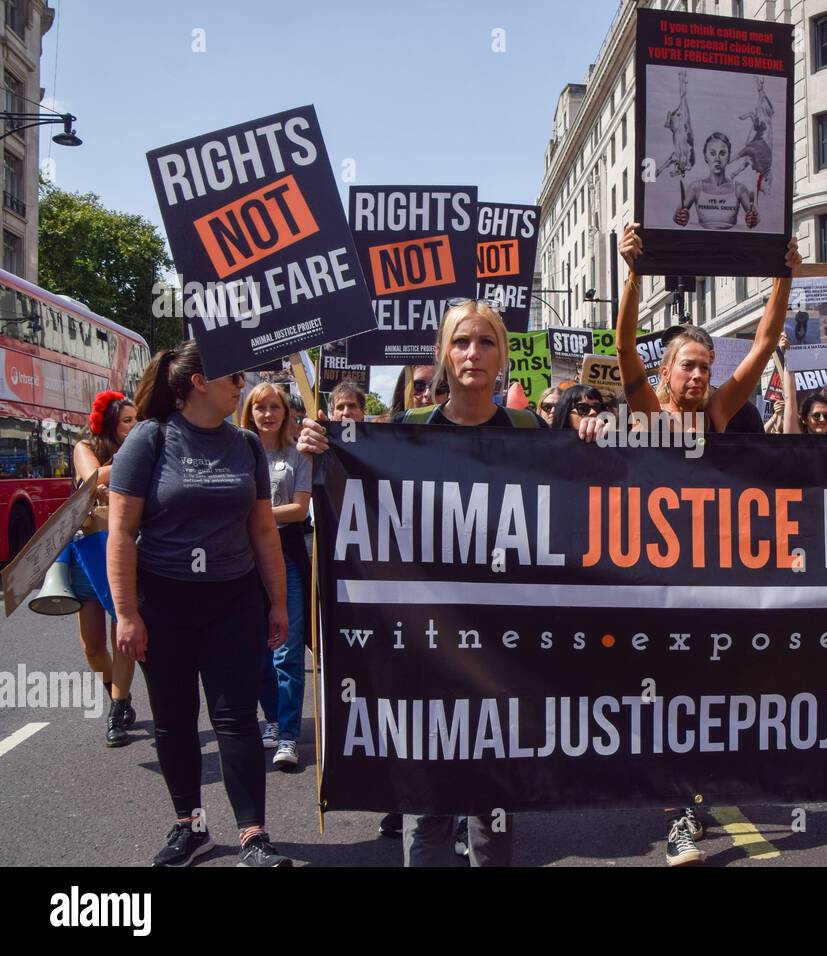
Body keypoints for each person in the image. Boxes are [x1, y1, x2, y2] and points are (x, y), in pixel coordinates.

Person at [299, 300, 530, 867]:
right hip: (425, 648)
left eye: (485, 342)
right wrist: (321, 454)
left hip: (501, 650)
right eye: (461, 342)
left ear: (502, 355)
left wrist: (595, 437)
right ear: (442, 355)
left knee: (491, 809)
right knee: (425, 805)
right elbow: (354, 505)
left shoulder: (530, 430)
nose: (472, 353)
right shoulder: (406, 432)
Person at [612, 221, 801, 865]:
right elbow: (623, 344)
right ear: (665, 373)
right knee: (666, 703)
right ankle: (674, 811)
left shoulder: (719, 414)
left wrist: (784, 275)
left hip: (716, 584)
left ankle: (688, 809)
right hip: (654, 586)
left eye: (705, 366)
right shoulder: (646, 411)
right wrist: (634, 274)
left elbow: (768, 339)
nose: (699, 376)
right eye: (688, 366)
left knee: (705, 702)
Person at [108, 341, 291, 867]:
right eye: (233, 376)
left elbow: (262, 528)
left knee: (235, 719)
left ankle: (253, 837)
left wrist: (277, 602)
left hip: (233, 600)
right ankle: (190, 826)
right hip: (163, 600)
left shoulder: (246, 446)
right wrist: (126, 613)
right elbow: (121, 532)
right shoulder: (150, 438)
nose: (242, 384)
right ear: (197, 383)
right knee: (174, 718)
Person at [239, 383, 312, 772]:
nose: (267, 414)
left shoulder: (298, 454)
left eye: (274, 407)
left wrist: (254, 516)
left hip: (287, 559)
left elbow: (300, 511)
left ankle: (288, 735)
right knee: (257, 651)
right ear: (249, 412)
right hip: (243, 562)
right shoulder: (236, 454)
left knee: (287, 649)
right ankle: (272, 717)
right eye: (259, 407)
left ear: (286, 412)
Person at [70, 390, 139, 746]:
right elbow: (90, 478)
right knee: (93, 645)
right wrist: (131, 459)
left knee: (120, 633)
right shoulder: (85, 446)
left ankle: (116, 709)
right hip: (88, 551)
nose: (134, 426)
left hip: (126, 550)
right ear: (109, 424)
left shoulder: (142, 450)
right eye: (127, 420)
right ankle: (120, 693)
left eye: (136, 420)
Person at [674, 133, 759, 230]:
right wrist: (681, 217)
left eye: (722, 154)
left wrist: (752, 219)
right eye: (712, 153)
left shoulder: (739, 189)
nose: (717, 159)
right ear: (705, 156)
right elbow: (676, 217)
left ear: (729, 157)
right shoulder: (695, 187)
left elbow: (756, 218)